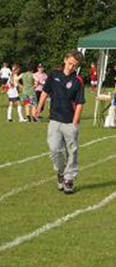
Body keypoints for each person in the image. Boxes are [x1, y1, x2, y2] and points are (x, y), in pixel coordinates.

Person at [34, 50, 85, 193]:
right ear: (65, 60)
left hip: (70, 121)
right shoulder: (54, 75)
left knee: (72, 151)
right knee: (54, 149)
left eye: (74, 66)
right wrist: (39, 107)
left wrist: (75, 121)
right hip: (54, 119)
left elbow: (80, 102)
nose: (71, 67)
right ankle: (61, 173)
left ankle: (69, 179)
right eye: (69, 64)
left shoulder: (78, 81)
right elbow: (45, 91)